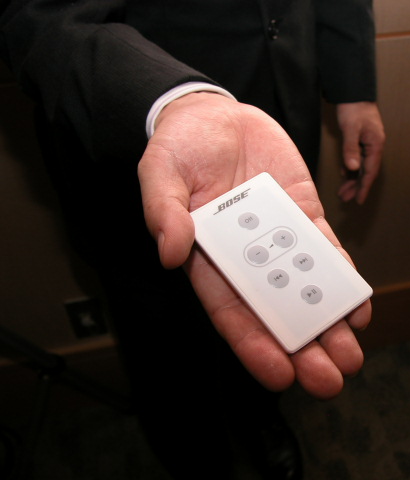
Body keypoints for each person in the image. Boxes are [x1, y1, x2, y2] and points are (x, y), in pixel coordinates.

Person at [0, 1, 385, 479]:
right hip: (130, 134)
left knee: (278, 317)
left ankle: (258, 416)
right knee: (166, 350)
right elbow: (38, 13)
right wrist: (175, 98)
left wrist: (354, 87)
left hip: (274, 115)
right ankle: (195, 460)